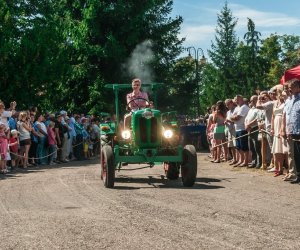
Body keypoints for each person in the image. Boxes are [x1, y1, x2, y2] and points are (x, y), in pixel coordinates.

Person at [285, 79, 300, 184]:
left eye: (292, 86)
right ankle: (298, 175)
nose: (290, 89)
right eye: (289, 87)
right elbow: (289, 118)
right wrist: (288, 131)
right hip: (292, 132)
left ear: (298, 87)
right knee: (296, 155)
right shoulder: (289, 101)